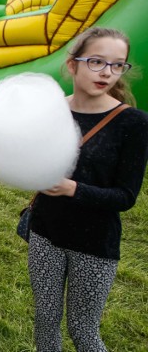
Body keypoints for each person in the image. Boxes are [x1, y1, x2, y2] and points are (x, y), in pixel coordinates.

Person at [27, 27, 148, 351]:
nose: (107, 72)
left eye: (117, 64)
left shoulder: (134, 123)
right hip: (45, 233)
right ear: (73, 64)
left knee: (83, 332)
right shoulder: (52, 110)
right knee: (45, 323)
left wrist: (73, 189)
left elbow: (126, 197)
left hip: (94, 244)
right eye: (97, 62)